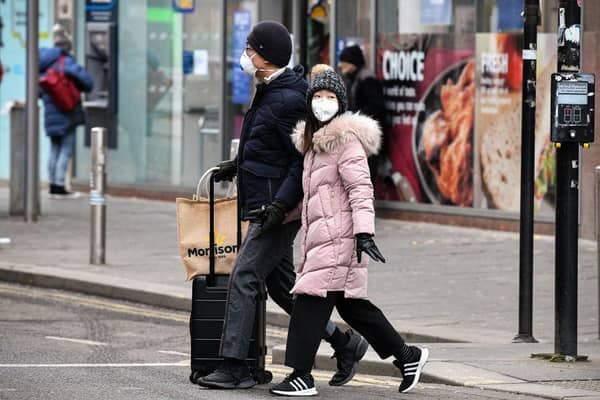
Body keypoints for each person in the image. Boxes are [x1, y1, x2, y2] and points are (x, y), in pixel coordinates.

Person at [198, 21, 367, 390]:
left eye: (250, 48)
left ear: (266, 55)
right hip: (266, 200)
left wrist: (280, 205)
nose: (245, 54)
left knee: (243, 275)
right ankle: (345, 343)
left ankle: (235, 366)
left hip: (275, 208)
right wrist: (236, 165)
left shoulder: (289, 98)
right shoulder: (272, 89)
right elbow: (269, 147)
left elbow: (300, 159)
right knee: (284, 286)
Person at [269, 70, 429, 397]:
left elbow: (360, 189)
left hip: (341, 239)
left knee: (309, 301)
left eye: (331, 98)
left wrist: (364, 233)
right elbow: (314, 196)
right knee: (353, 307)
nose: (323, 103)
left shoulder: (345, 142)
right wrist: (279, 214)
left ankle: (301, 375)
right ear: (309, 102)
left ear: (341, 104)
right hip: (322, 237)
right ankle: (408, 356)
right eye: (318, 97)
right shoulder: (313, 146)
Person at [39, 27, 93, 198]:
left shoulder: (43, 64)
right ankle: (60, 185)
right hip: (66, 110)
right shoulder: (65, 61)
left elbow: (39, 92)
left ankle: (52, 185)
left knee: (55, 147)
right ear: (67, 47)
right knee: (66, 148)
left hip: (50, 112)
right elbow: (87, 81)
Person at [338, 44, 386, 183]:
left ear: (352, 62)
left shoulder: (367, 80)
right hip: (359, 134)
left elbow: (376, 107)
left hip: (368, 136)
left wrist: (354, 117)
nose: (341, 65)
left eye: (344, 62)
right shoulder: (354, 78)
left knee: (364, 176)